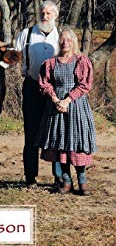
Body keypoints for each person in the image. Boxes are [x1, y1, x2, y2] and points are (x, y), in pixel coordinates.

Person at [37, 26, 97, 195]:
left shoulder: (81, 61)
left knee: (76, 143)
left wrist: (68, 100)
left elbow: (85, 84)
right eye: (62, 39)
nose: (65, 43)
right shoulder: (50, 63)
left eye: (68, 40)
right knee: (60, 143)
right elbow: (45, 83)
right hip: (56, 108)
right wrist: (56, 100)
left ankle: (82, 179)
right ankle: (66, 179)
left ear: (74, 42)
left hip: (76, 106)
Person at [15, 0, 62, 188]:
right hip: (32, 87)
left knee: (57, 134)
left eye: (49, 13)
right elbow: (11, 57)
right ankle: (30, 177)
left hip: (56, 91)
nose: (45, 16)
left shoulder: (61, 38)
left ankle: (59, 177)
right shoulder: (26, 35)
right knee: (31, 133)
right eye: (42, 13)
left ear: (55, 16)